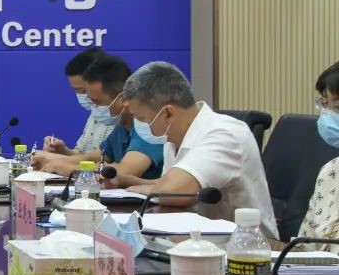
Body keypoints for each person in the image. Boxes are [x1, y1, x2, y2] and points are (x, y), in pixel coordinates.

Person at [108, 61, 278, 239]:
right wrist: (129, 181)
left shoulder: (225, 133)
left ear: (168, 113)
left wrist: (146, 189)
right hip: (197, 239)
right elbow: (169, 183)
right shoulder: (173, 138)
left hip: (247, 246)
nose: (139, 126)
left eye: (141, 118)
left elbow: (171, 192)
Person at [30, 55, 163, 180]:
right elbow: (91, 159)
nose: (93, 107)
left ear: (122, 98)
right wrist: (48, 159)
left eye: (96, 102)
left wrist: (64, 168)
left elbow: (124, 171)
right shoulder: (122, 128)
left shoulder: (148, 128)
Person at [297, 62, 339, 253]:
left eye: (336, 105)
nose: (328, 114)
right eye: (324, 104)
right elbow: (304, 249)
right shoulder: (330, 171)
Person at [43, 47, 115, 156]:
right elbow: (82, 154)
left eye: (84, 90)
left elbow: (104, 161)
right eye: (76, 90)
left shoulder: (121, 118)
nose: (86, 96)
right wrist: (63, 152)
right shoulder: (95, 112)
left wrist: (57, 161)